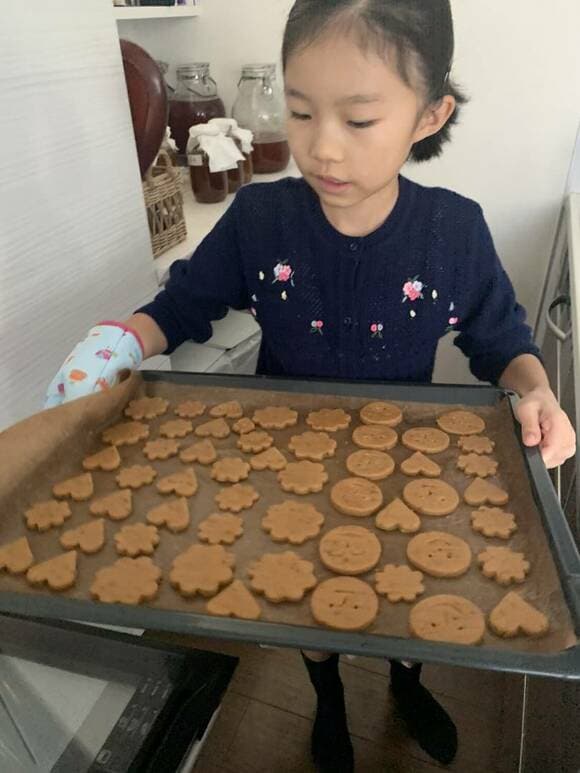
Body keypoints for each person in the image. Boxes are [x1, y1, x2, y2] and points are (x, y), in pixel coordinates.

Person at [46, 1, 576, 770]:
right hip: (283, 468)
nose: (322, 147)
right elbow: (185, 303)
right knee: (305, 589)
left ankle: (405, 677)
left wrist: (538, 392)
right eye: (300, 111)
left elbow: (503, 340)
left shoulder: (452, 232)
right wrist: (123, 338)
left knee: (401, 595)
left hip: (402, 471)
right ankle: (326, 697)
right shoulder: (262, 219)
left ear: (429, 115)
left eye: (359, 120)